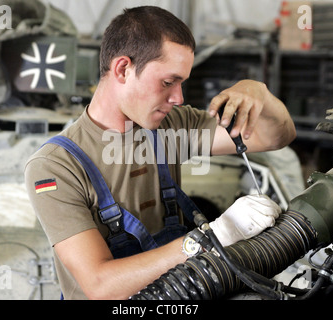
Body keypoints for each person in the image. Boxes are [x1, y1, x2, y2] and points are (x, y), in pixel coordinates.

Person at [25, 6, 296, 300]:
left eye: (181, 83)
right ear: (123, 69)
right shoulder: (56, 167)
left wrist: (258, 92)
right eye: (168, 82)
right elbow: (100, 285)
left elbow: (276, 136)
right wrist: (209, 239)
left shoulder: (171, 128)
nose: (178, 99)